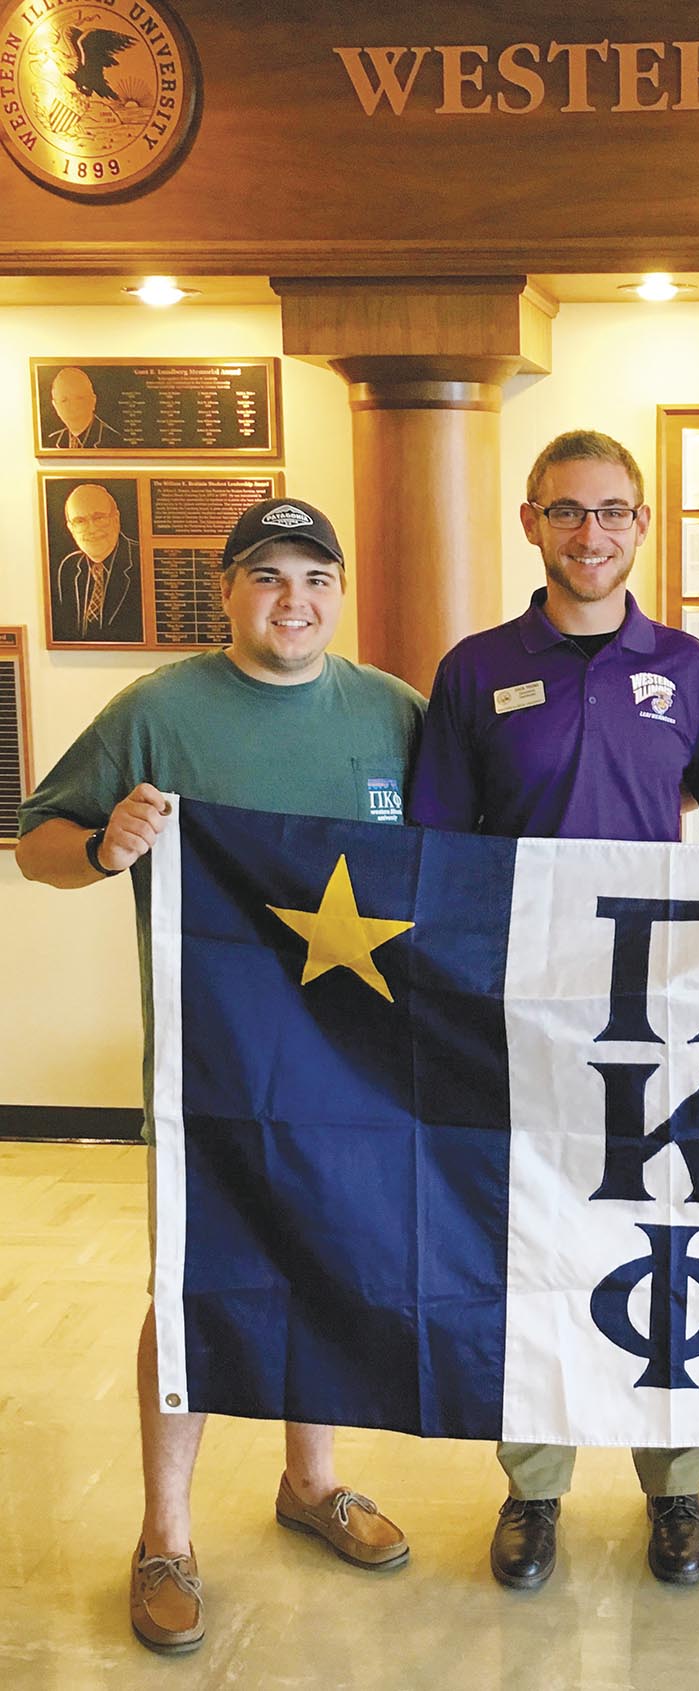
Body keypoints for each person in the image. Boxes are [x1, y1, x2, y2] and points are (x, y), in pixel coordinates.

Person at [17, 497, 425, 1655]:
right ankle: (165, 1533)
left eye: (315, 577)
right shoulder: (159, 711)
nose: (294, 599)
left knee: (331, 1270)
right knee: (194, 1287)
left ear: (339, 591)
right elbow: (38, 843)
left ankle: (312, 1479)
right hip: (211, 1068)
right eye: (268, 576)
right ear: (228, 590)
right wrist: (104, 846)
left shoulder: (392, 711)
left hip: (354, 1067)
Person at [409, 429, 699, 1591]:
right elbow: (434, 849)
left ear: (641, 523)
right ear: (530, 522)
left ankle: (675, 1485)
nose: (591, 533)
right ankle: (534, 1485)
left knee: (667, 1233)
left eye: (613, 511)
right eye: (566, 511)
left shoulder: (688, 667)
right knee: (532, 1240)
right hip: (520, 1002)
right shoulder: (475, 669)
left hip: (658, 1006)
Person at [52, 483, 142, 643]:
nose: (92, 529)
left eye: (99, 518)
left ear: (116, 519)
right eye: (80, 521)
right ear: (71, 528)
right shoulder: (68, 567)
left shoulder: (142, 559)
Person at [47, 365, 119, 449]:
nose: (73, 407)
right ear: (55, 406)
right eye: (64, 400)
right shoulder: (51, 442)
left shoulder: (113, 440)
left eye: (79, 398)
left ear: (93, 401)